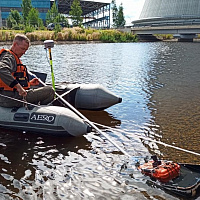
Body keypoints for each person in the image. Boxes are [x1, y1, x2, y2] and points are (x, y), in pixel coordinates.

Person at [0, 33, 55, 108]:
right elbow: (2, 69)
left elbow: (13, 78)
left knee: (38, 88)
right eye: (23, 49)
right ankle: (38, 111)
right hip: (9, 98)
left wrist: (29, 84)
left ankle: (36, 108)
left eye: (25, 50)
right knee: (50, 91)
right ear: (15, 44)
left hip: (13, 95)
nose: (24, 52)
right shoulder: (9, 57)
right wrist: (19, 87)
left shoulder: (14, 57)